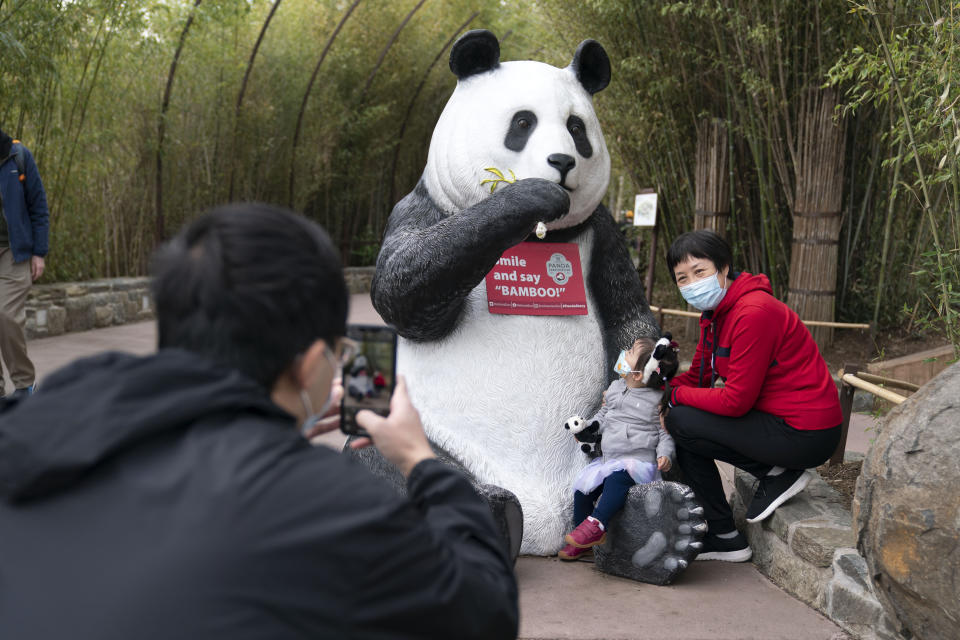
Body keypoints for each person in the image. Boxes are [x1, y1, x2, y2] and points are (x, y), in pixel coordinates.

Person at [0, 203, 518, 639]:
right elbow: (486, 608)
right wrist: (418, 459)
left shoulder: (47, 412)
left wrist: (265, 433)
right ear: (314, 366)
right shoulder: (327, 503)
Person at [662, 230, 842, 563]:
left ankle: (776, 474)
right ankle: (725, 537)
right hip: (776, 421)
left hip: (805, 432)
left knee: (681, 419)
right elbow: (700, 375)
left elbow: (735, 401)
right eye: (681, 278)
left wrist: (675, 397)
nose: (691, 284)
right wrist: (657, 391)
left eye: (699, 272)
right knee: (680, 420)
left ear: (724, 268)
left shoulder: (754, 312)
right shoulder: (716, 315)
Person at [558, 336, 679, 561]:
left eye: (631, 351)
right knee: (583, 489)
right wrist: (590, 428)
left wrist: (665, 454)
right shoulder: (616, 387)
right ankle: (582, 536)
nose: (625, 352)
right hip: (610, 458)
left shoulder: (656, 400)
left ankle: (597, 525)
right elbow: (604, 415)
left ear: (640, 373)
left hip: (637, 462)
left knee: (616, 481)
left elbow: (664, 433)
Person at [0, 129, 48, 399]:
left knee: (5, 315)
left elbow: (38, 206)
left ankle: (23, 383)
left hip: (15, 252)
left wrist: (39, 252)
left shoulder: (18, 156)